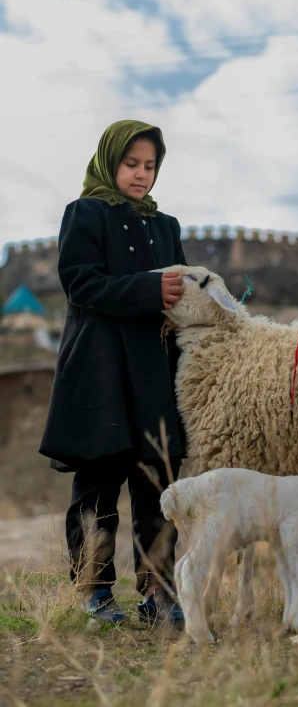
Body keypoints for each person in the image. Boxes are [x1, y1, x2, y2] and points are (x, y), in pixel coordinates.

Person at [39, 119, 187, 627]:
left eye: (149, 166)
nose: (141, 174)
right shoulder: (84, 214)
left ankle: (160, 595)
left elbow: (183, 290)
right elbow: (81, 283)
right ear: (110, 161)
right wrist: (150, 290)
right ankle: (94, 593)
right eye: (131, 164)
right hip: (100, 371)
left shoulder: (166, 227)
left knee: (157, 486)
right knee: (98, 485)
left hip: (153, 374)